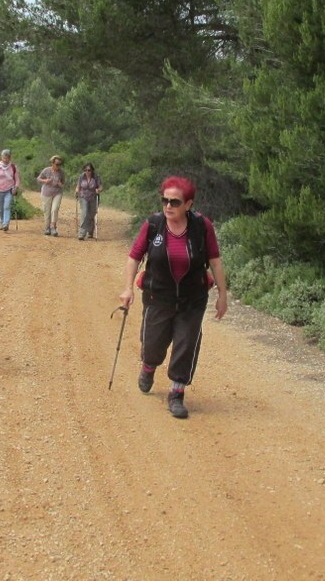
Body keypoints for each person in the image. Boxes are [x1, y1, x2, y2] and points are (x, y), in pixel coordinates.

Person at [119, 176, 228, 419]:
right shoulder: (154, 225)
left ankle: (177, 393)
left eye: (175, 202)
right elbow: (134, 257)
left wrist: (222, 294)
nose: (168, 206)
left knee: (186, 342)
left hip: (192, 298)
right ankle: (148, 367)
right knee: (153, 344)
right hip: (158, 296)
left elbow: (215, 261)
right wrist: (127, 288)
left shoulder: (202, 227)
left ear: (188, 204)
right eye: (165, 200)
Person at [0, 149, 20, 231]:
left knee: (7, 206)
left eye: (7, 158)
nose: (6, 160)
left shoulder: (13, 167)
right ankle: (1, 222)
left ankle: (6, 224)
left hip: (9, 190)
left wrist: (15, 187)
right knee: (0, 207)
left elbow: (17, 179)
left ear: (10, 158)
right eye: (4, 158)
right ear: (2, 157)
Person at [37, 155, 66, 236]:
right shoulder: (46, 170)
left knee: (55, 209)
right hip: (46, 193)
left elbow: (63, 182)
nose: (58, 166)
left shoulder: (61, 172)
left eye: (60, 164)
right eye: (57, 164)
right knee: (47, 211)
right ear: (52, 163)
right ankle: (47, 228)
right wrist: (45, 180)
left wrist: (61, 184)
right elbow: (38, 179)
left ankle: (53, 227)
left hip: (57, 192)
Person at [75, 163, 103, 240]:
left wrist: (98, 190)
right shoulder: (82, 176)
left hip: (93, 197)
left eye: (89, 170)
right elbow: (78, 186)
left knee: (91, 214)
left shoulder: (96, 177)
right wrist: (77, 191)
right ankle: (82, 233)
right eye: (85, 170)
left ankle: (90, 231)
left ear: (92, 170)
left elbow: (101, 187)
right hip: (83, 197)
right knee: (84, 213)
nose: (87, 172)